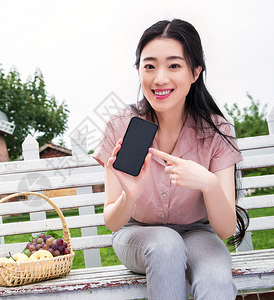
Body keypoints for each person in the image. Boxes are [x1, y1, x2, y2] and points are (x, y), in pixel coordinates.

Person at [93, 19, 249, 299]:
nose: (159, 78)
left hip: (198, 234)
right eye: (149, 66)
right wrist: (130, 196)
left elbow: (224, 230)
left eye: (174, 65)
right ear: (139, 70)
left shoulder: (216, 132)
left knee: (216, 280)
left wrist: (209, 185)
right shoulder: (121, 127)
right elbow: (113, 222)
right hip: (137, 235)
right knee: (166, 243)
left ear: (195, 71)